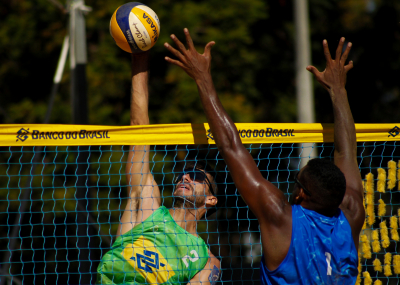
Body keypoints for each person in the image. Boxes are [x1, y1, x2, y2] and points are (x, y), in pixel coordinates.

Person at [164, 30, 364, 284]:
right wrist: (338, 89)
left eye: (297, 182)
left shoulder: (280, 218)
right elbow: (347, 151)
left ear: (301, 193)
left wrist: (202, 77)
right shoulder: (352, 212)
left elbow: (231, 146)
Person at [96, 51, 221, 284]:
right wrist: (140, 58)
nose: (185, 176)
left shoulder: (206, 261)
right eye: (183, 173)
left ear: (211, 199)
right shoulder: (148, 207)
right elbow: (139, 127)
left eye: (195, 176)